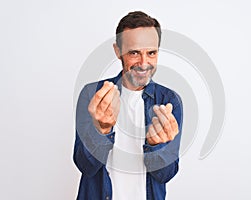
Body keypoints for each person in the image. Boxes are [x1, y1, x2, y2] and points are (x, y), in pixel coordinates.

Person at [73, 11, 183, 200]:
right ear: (118, 51)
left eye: (151, 53)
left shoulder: (169, 100)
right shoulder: (93, 95)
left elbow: (165, 174)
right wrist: (102, 130)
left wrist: (156, 146)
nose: (144, 63)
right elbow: (85, 166)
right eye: (134, 53)